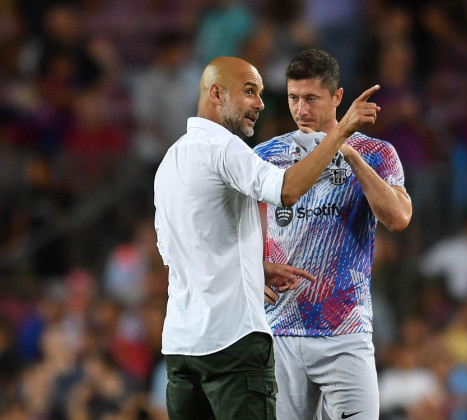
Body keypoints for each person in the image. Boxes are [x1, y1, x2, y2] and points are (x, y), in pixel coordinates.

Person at [153, 56, 381, 419]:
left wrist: (253, 269)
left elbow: (177, 251)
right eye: (248, 91)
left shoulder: (170, 161)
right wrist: (340, 133)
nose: (260, 103)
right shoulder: (224, 149)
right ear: (216, 93)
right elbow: (286, 189)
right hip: (232, 344)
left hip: (181, 349)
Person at [254, 49, 412, 420]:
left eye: (311, 99)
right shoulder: (267, 155)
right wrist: (254, 268)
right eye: (294, 98)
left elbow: (399, 218)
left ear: (337, 97)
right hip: (280, 329)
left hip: (345, 331)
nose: (301, 109)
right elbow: (241, 231)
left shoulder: (376, 153)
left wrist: (348, 150)